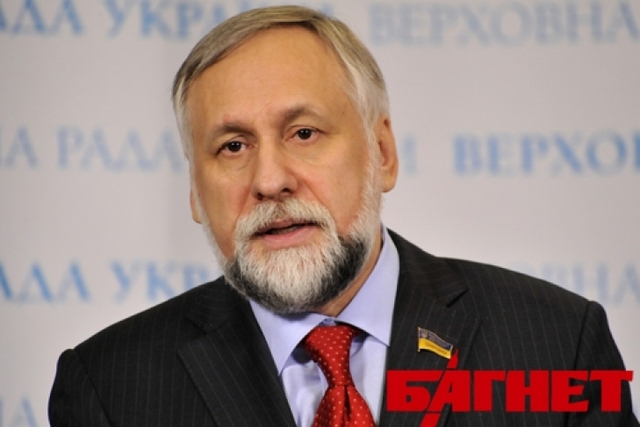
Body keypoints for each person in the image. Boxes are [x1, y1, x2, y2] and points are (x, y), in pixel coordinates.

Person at [49, 5, 637, 427]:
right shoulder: (109, 387)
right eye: (232, 146)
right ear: (195, 195)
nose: (269, 180)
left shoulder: (557, 344)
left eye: (304, 133)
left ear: (382, 153)